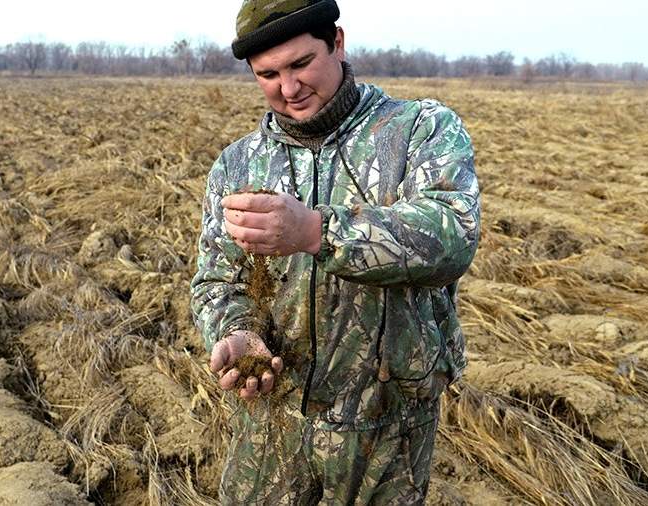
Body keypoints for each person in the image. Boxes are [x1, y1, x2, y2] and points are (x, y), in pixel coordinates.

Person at [190, 0, 480, 503]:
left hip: (387, 422)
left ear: (338, 43)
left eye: (301, 64)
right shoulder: (238, 164)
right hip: (271, 417)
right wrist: (236, 330)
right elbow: (217, 280)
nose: (288, 88)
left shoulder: (418, 130)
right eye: (268, 74)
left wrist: (315, 231)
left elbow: (452, 237)